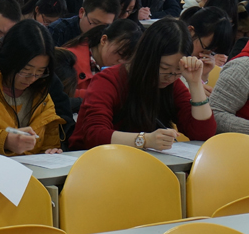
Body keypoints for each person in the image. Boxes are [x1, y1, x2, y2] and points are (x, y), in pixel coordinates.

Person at [70, 18, 216, 150]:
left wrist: (195, 83)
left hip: (138, 162)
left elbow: (203, 133)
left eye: (178, 70)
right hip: (91, 161)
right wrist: (144, 140)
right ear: (147, 57)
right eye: (164, 68)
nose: (170, 77)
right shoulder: (108, 81)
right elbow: (94, 135)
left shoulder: (172, 84)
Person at [0, 19, 73, 154]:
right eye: (25, 70)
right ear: (10, 59)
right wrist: (4, 141)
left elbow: (52, 138)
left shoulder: (45, 87)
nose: (32, 78)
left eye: (40, 71)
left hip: (34, 165)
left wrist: (52, 151)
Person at [61, 19, 142, 100]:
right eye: (120, 53)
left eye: (128, 58)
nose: (121, 61)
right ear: (104, 40)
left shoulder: (128, 70)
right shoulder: (67, 59)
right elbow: (59, 95)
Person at [179, 6, 233, 93]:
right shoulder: (171, 56)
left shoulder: (197, 65)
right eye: (206, 47)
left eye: (213, 51)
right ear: (190, 31)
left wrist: (203, 75)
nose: (207, 54)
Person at [48, 0, 121, 48]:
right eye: (95, 22)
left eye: (105, 26)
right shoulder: (58, 30)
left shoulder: (110, 37)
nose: (99, 30)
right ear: (82, 12)